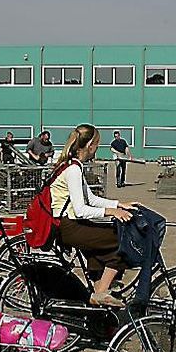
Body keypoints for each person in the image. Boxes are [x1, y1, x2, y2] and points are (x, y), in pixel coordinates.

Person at [50, 124, 138, 307]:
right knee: (122, 241)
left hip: (70, 223)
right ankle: (100, 294)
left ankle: (98, 298)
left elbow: (90, 198)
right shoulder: (73, 169)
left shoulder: (73, 165)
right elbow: (81, 209)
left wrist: (118, 204)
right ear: (89, 145)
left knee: (101, 245)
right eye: (97, 143)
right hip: (69, 226)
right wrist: (111, 211)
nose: (98, 147)